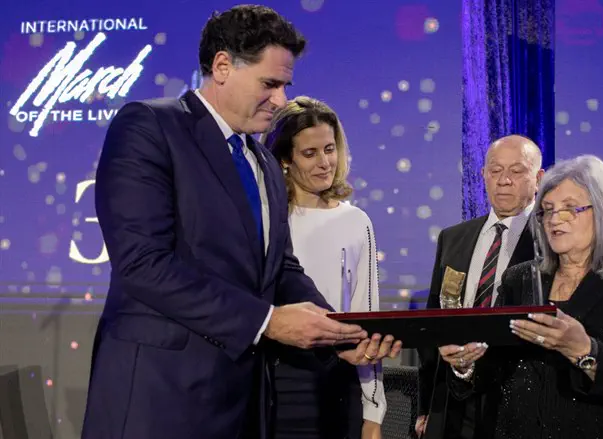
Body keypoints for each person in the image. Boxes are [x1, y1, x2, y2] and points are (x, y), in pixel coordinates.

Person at [81, 6, 400, 439]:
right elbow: (142, 263)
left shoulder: (265, 163)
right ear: (223, 66)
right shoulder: (150, 126)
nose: (282, 100)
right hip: (159, 400)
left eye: (286, 85)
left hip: (244, 403)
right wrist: (268, 321)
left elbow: (281, 268)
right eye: (269, 83)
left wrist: (339, 335)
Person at [440, 155, 603, 439]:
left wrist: (583, 349)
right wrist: (466, 364)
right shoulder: (520, 278)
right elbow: (496, 368)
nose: (554, 220)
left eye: (569, 209)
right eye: (547, 210)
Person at [262, 96, 386, 439]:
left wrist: (374, 411)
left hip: (338, 380)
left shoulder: (355, 221)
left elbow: (366, 318)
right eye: (310, 153)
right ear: (285, 158)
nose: (324, 162)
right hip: (273, 382)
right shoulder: (266, 219)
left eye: (329, 149)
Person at [416, 135, 545, 439]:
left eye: (516, 171)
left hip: (517, 402)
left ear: (538, 178)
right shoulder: (453, 238)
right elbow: (433, 323)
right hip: (454, 400)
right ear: (483, 175)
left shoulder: (548, 243)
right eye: (495, 170)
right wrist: (426, 407)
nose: (504, 181)